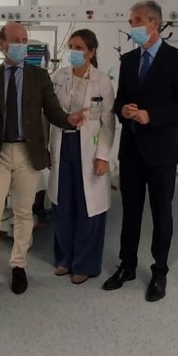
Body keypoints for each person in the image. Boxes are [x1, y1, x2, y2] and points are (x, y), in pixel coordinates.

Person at [0, 22, 85, 301]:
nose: (21, 45)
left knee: (23, 213)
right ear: (1, 44)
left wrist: (69, 119)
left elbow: (53, 111)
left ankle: (18, 265)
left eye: (24, 40)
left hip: (27, 153)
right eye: (16, 40)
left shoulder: (39, 76)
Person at [103, 0, 178, 302]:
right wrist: (124, 110)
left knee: (161, 213)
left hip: (161, 152)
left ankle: (159, 272)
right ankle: (127, 265)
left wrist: (152, 116)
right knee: (130, 212)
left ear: (154, 23)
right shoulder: (129, 60)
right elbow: (119, 100)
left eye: (137, 21)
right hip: (131, 150)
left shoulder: (177, 59)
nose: (132, 26)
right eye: (130, 21)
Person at [47, 30, 116, 284]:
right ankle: (64, 259)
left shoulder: (102, 81)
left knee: (90, 208)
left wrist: (103, 156)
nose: (73, 52)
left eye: (79, 47)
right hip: (62, 144)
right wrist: (45, 147)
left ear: (91, 51)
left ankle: (85, 264)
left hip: (90, 147)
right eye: (71, 46)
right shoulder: (58, 76)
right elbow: (48, 113)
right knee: (62, 204)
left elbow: (108, 122)